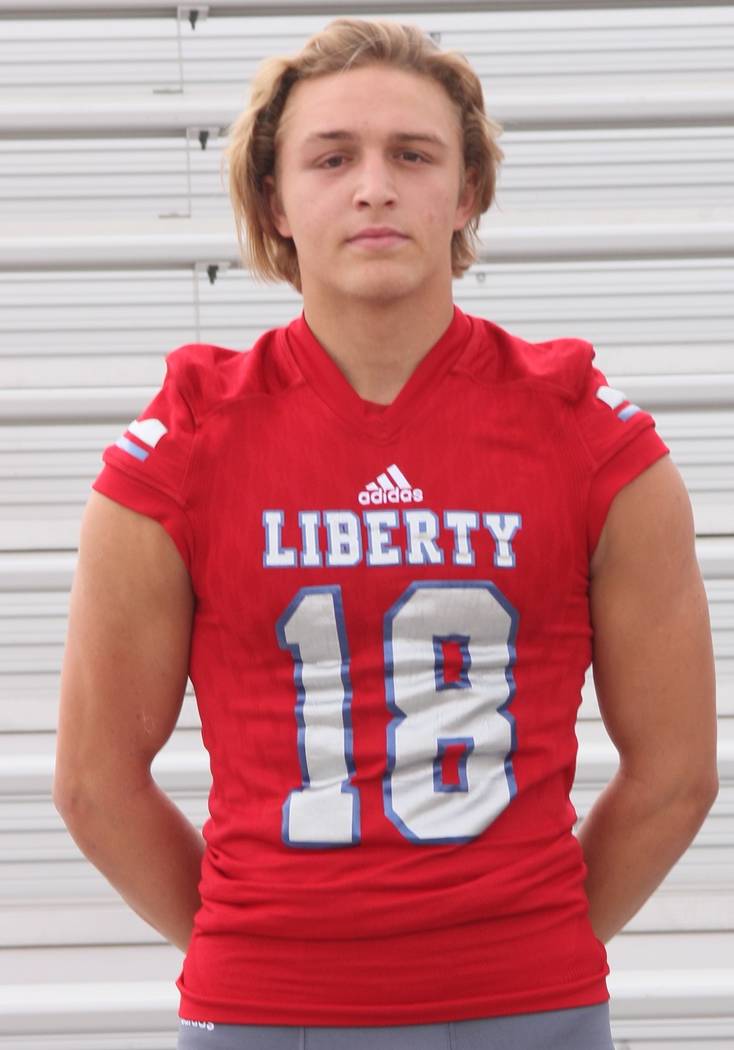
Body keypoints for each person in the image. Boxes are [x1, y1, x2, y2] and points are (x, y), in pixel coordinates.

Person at [53, 17, 718, 1050]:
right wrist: (261, 945)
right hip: (271, 1009)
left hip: (527, 1006)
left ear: (466, 194)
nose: (373, 187)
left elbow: (674, 770)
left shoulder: (587, 434)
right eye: (331, 157)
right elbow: (95, 783)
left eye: (412, 155)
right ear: (274, 199)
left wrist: (525, 941)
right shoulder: (184, 441)